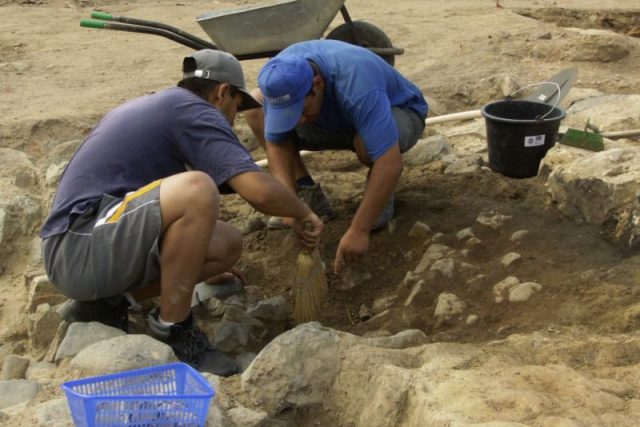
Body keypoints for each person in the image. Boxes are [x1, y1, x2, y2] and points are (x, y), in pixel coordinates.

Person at [39, 49, 323, 376]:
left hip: (89, 243)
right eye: (236, 106)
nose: (233, 118)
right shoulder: (194, 111)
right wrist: (303, 213)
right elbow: (257, 190)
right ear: (222, 93)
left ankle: (107, 304)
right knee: (197, 189)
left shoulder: (167, 106)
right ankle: (175, 328)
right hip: (79, 248)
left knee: (225, 244)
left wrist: (190, 261)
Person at [244, 40, 428, 274]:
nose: (297, 121)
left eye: (300, 110)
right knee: (254, 107)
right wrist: (289, 206)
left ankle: (380, 192)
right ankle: (306, 191)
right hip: (337, 119)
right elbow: (277, 142)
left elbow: (390, 163)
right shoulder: (279, 79)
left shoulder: (357, 83)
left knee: (368, 144)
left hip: (399, 112)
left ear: (318, 84)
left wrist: (359, 230)